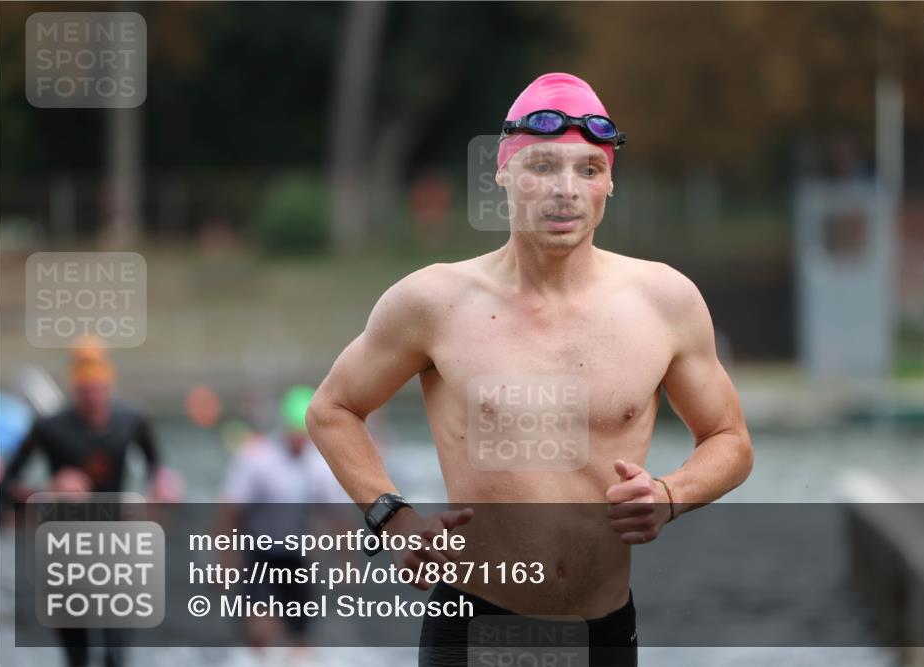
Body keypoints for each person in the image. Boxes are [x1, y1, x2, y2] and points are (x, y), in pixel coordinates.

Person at [306, 72, 753, 666]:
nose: (565, 190)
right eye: (543, 167)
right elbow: (332, 410)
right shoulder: (434, 302)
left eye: (587, 170)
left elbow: (730, 440)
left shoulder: (665, 301)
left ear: (609, 183)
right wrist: (392, 517)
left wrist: (671, 495)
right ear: (503, 172)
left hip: (602, 632)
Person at [0, 339, 170, 667]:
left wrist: (154, 498)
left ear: (109, 386)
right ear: (75, 391)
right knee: (76, 653)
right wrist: (47, 489)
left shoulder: (132, 420)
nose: (93, 400)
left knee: (116, 650)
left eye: (99, 390)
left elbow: (157, 469)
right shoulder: (50, 428)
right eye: (85, 391)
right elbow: (6, 487)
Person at [219, 385, 348, 659]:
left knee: (301, 641)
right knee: (260, 631)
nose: (300, 440)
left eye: (305, 434)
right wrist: (225, 558)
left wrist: (347, 560)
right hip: (259, 556)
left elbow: (336, 516)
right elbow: (229, 510)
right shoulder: (257, 458)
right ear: (284, 428)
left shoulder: (318, 464)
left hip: (296, 558)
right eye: (295, 432)